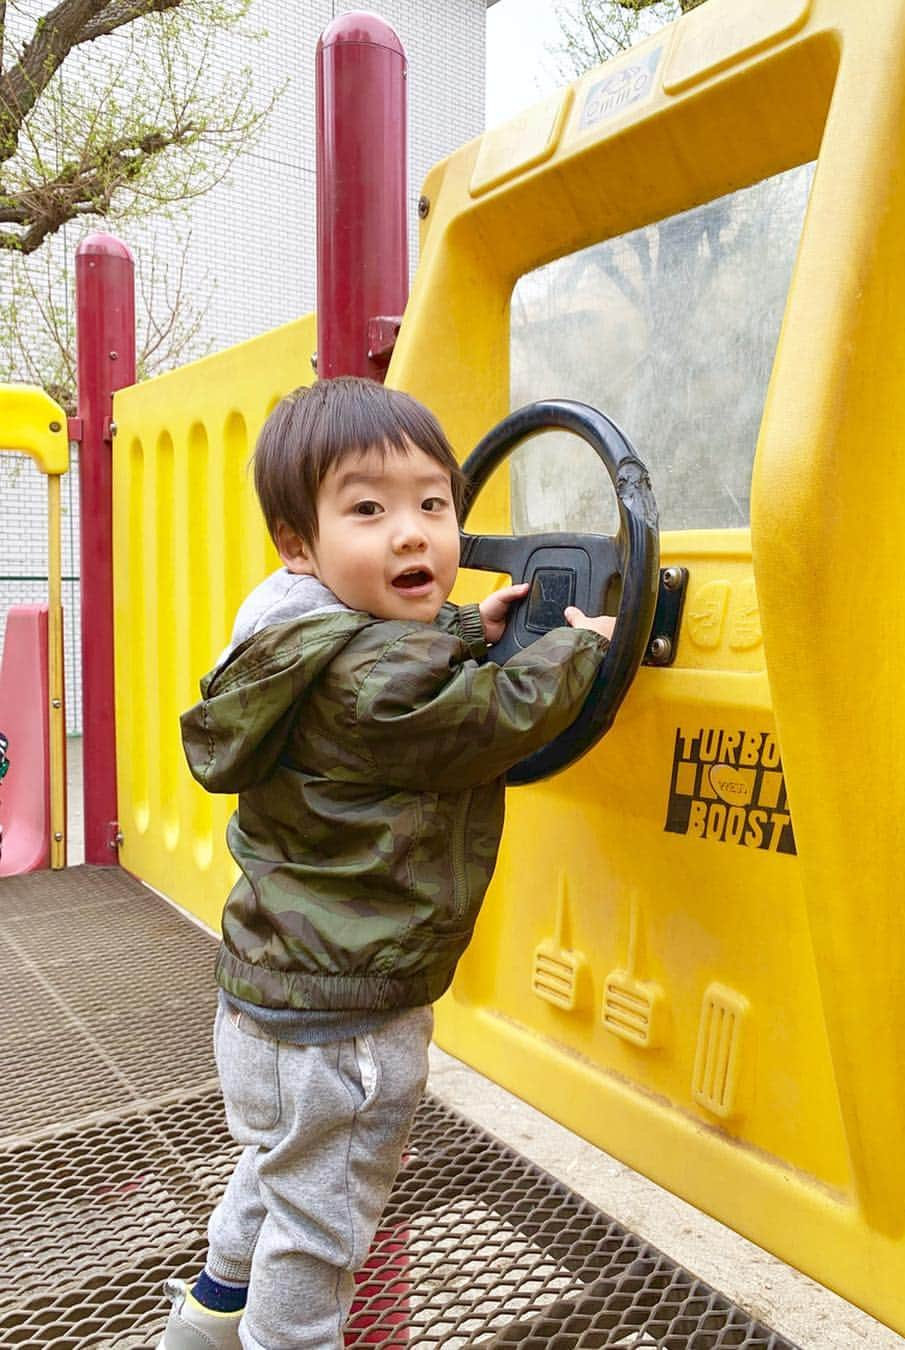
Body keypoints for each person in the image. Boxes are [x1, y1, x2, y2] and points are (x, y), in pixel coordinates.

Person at [164, 376, 614, 1350]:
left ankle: (202, 1327)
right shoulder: (381, 682)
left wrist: (467, 627)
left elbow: (381, 654)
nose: (412, 533)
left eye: (433, 503)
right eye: (368, 509)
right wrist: (572, 652)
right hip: (346, 1027)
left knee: (277, 1172)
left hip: (266, 1000)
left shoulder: (287, 629)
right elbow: (481, 719)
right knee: (320, 1229)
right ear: (300, 541)